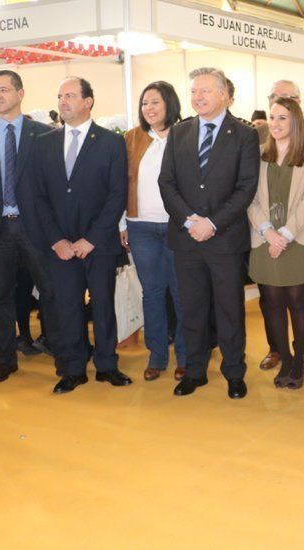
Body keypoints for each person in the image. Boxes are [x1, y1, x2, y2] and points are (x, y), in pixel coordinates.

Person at [159, 67, 260, 400]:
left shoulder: (244, 135)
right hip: (186, 239)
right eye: (193, 91)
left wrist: (212, 223)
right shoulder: (179, 133)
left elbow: (246, 188)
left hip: (225, 240)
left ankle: (234, 372)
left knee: (229, 310)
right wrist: (190, 220)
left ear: (223, 94)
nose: (197, 97)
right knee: (192, 308)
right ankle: (195, 370)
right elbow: (167, 182)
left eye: (204, 91)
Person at [33, 77, 131, 394]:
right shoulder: (45, 144)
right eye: (60, 96)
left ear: (88, 101)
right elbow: (39, 197)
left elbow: (117, 195)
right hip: (59, 245)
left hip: (97, 244)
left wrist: (92, 239)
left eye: (71, 96)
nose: (63, 102)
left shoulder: (111, 143)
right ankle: (73, 369)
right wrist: (57, 240)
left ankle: (107, 365)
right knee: (67, 307)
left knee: (103, 304)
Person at [0, 70, 59, 383]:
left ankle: (63, 354)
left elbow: (50, 184)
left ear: (20, 93)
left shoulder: (44, 134)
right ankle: (5, 359)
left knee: (50, 293)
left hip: (35, 227)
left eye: (3, 89)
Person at [248, 97, 304, 389]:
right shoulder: (258, 154)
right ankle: (287, 357)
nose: (276, 124)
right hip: (264, 239)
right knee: (272, 302)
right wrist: (269, 233)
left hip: (298, 239)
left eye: (283, 118)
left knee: (299, 301)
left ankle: (298, 360)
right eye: (273, 117)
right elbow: (251, 199)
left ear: (295, 121)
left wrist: (286, 235)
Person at [120, 81, 187, 382]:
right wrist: (122, 222)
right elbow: (121, 182)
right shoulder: (131, 138)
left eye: (155, 102)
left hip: (178, 226)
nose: (149, 108)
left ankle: (186, 356)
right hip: (141, 227)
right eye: (145, 103)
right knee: (152, 293)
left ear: (169, 104)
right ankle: (157, 355)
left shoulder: (186, 135)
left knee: (181, 291)